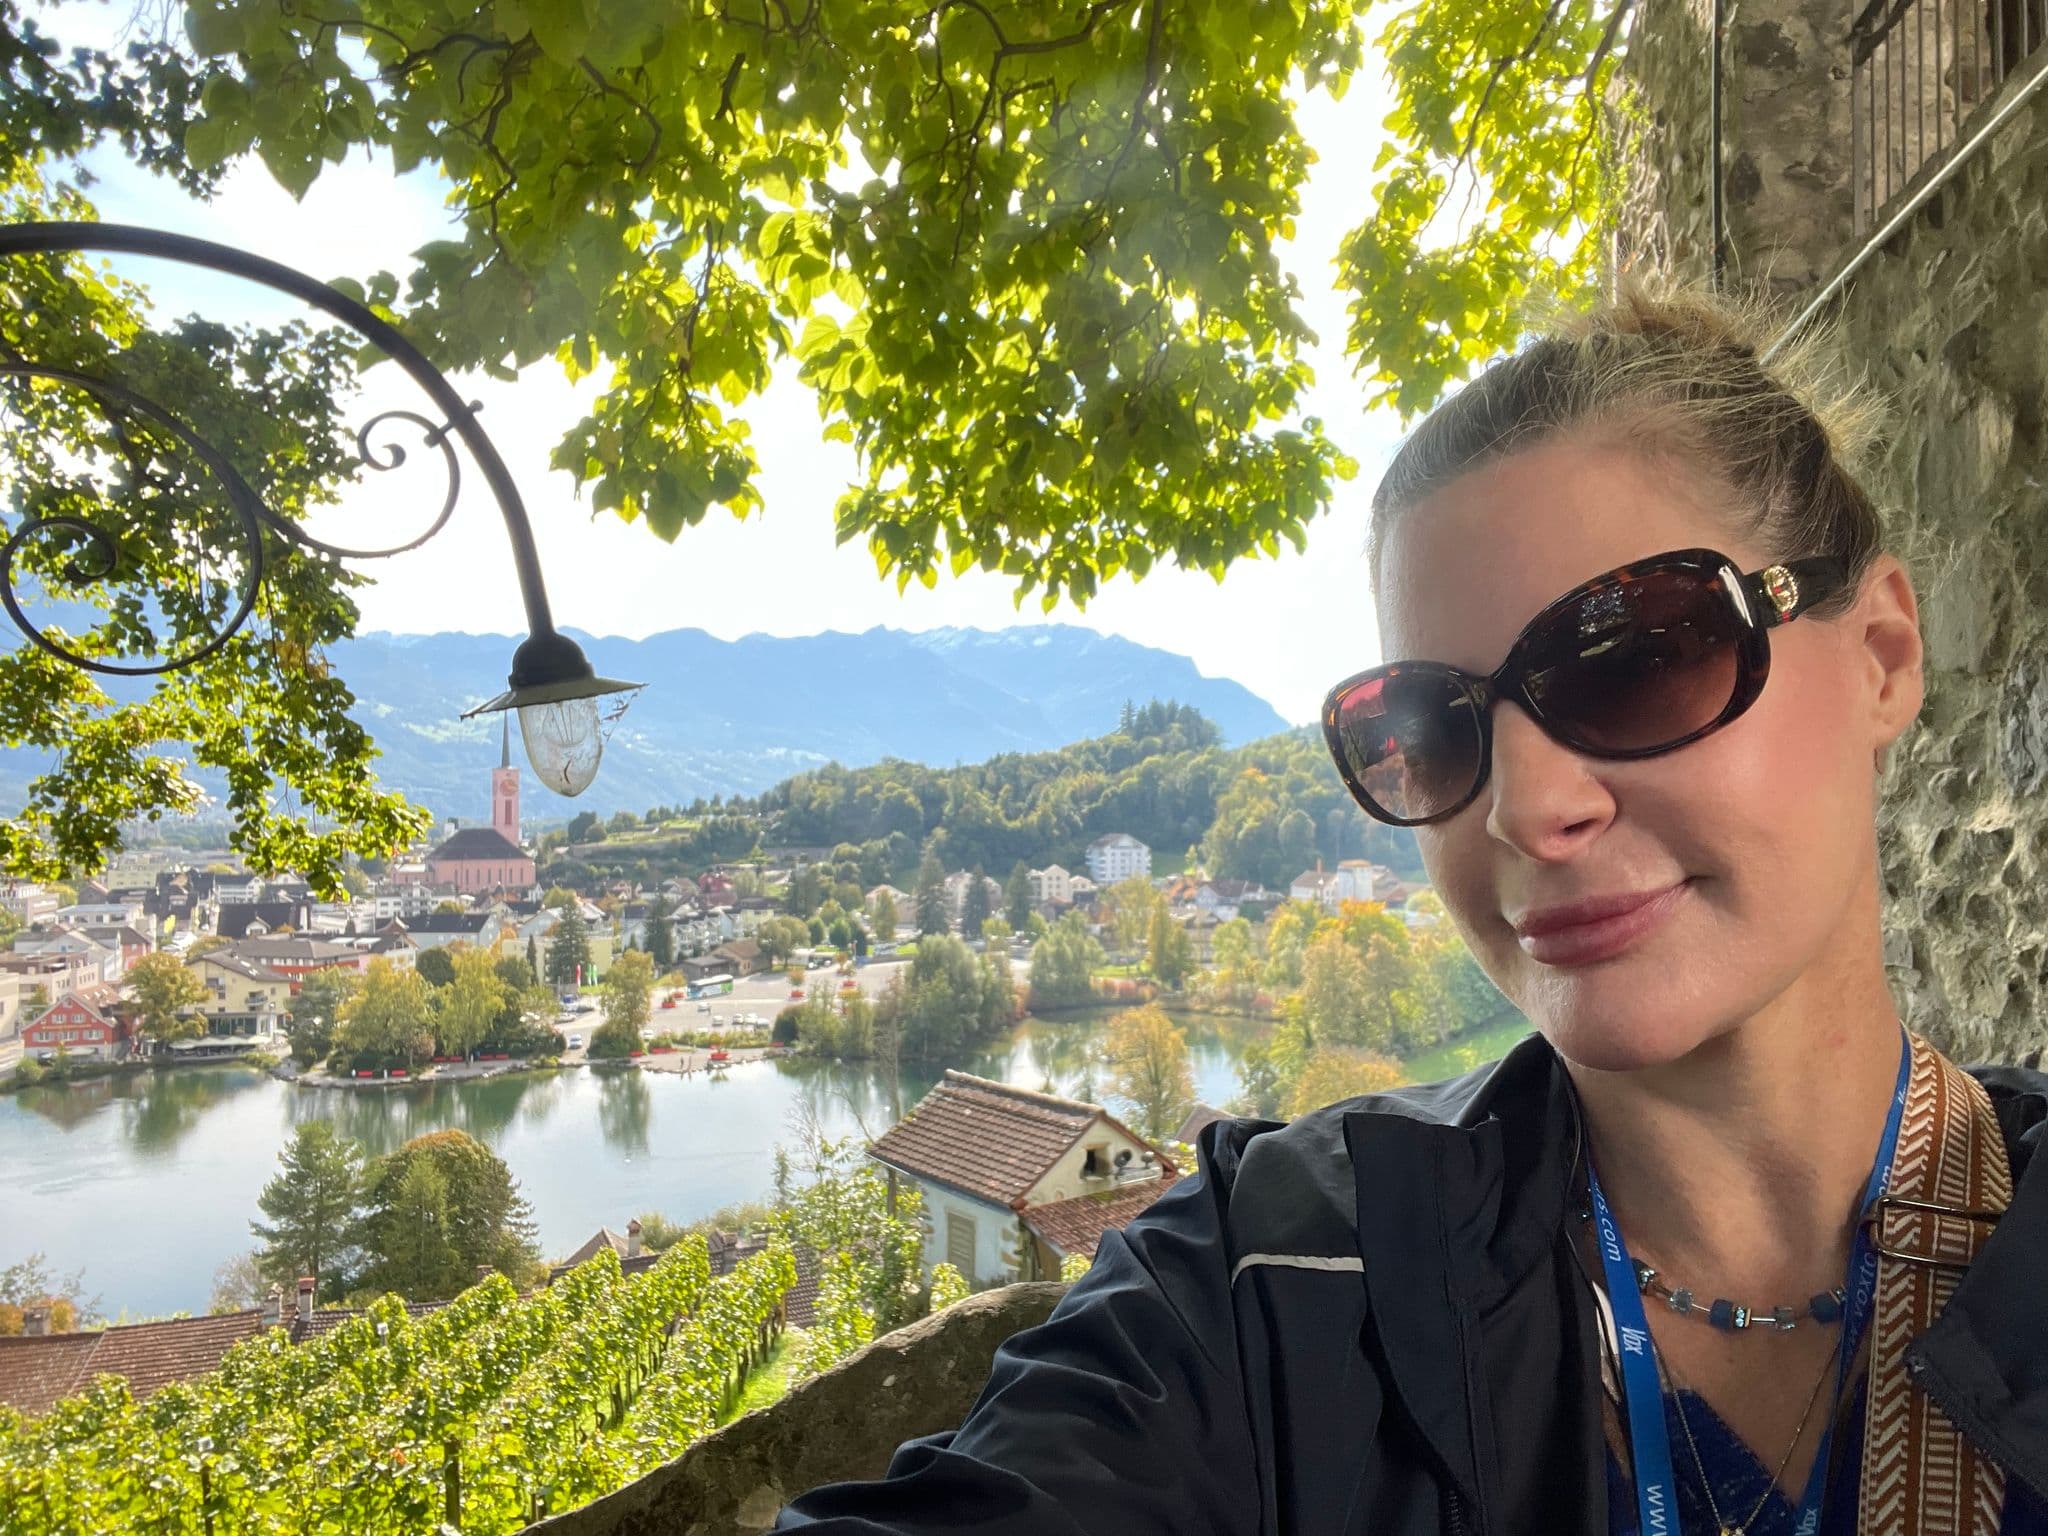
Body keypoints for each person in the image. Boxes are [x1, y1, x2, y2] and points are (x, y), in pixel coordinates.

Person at [773, 285, 2048, 1535]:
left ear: (1881, 652)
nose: (1522, 806)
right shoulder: (1269, 1284)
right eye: (1431, 732)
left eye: (1639, 659)